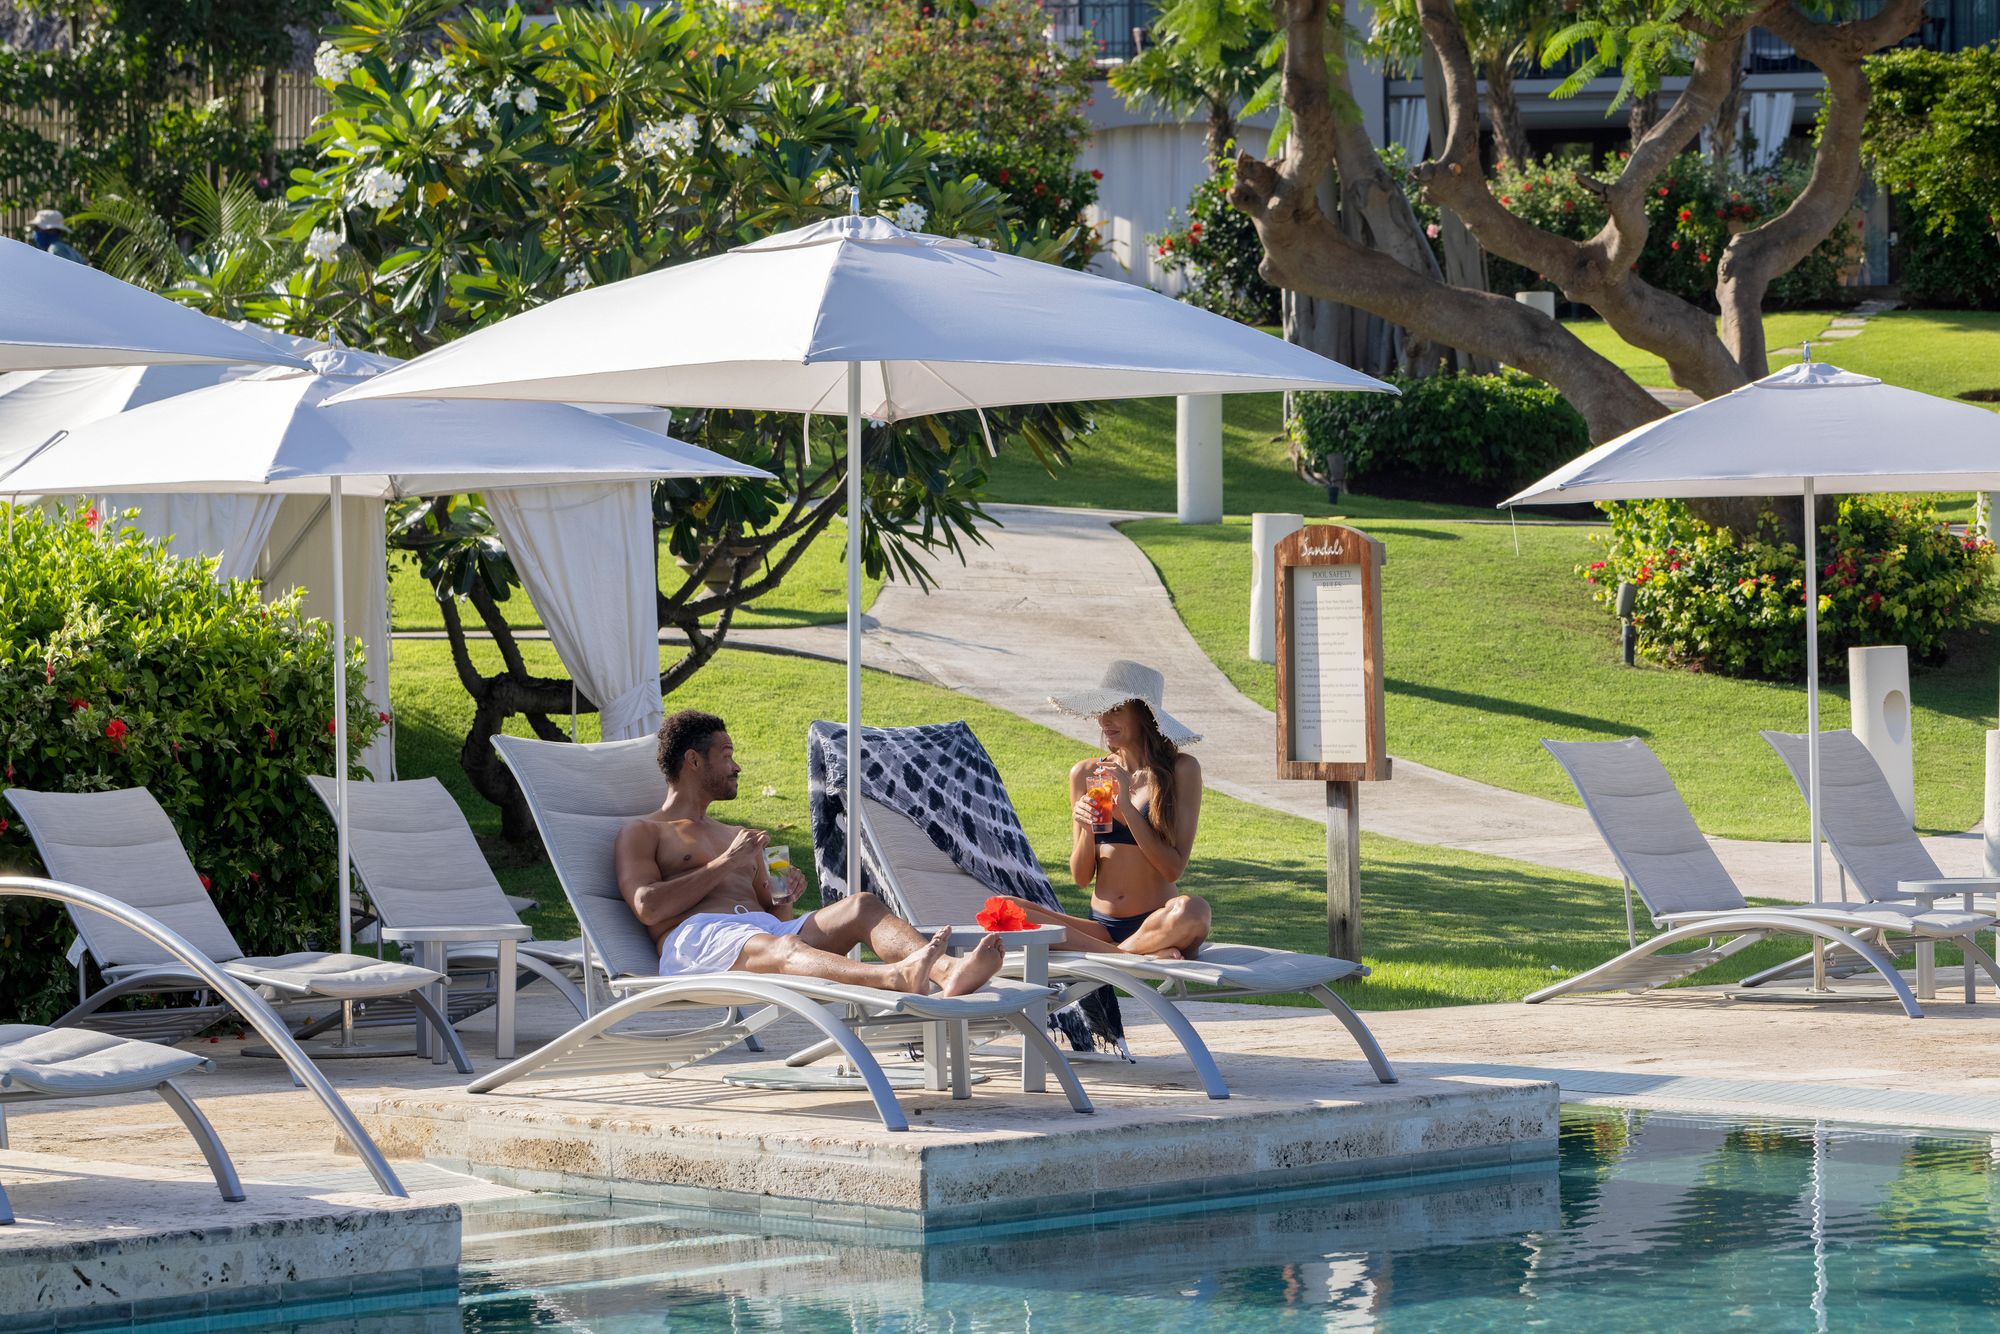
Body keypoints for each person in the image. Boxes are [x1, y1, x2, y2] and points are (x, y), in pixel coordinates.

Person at [615, 708, 1004, 994]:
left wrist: (783, 896)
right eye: (727, 755)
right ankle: (892, 977)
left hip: (762, 934)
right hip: (697, 942)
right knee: (783, 946)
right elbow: (647, 906)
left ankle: (949, 969)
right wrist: (726, 863)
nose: (737, 767)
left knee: (861, 906)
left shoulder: (737, 835)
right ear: (694, 760)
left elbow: (777, 917)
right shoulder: (645, 831)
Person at [1018, 660, 1211, 958]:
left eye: (1116, 710)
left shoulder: (1181, 771)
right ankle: (1128, 954)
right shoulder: (1086, 773)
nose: (1103, 720)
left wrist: (1126, 810)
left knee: (1194, 910)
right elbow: (1081, 877)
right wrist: (1083, 826)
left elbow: (1173, 869)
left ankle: (1118, 952)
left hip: (1156, 919)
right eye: (1101, 711)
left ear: (1145, 715)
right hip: (1100, 927)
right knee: (1008, 907)